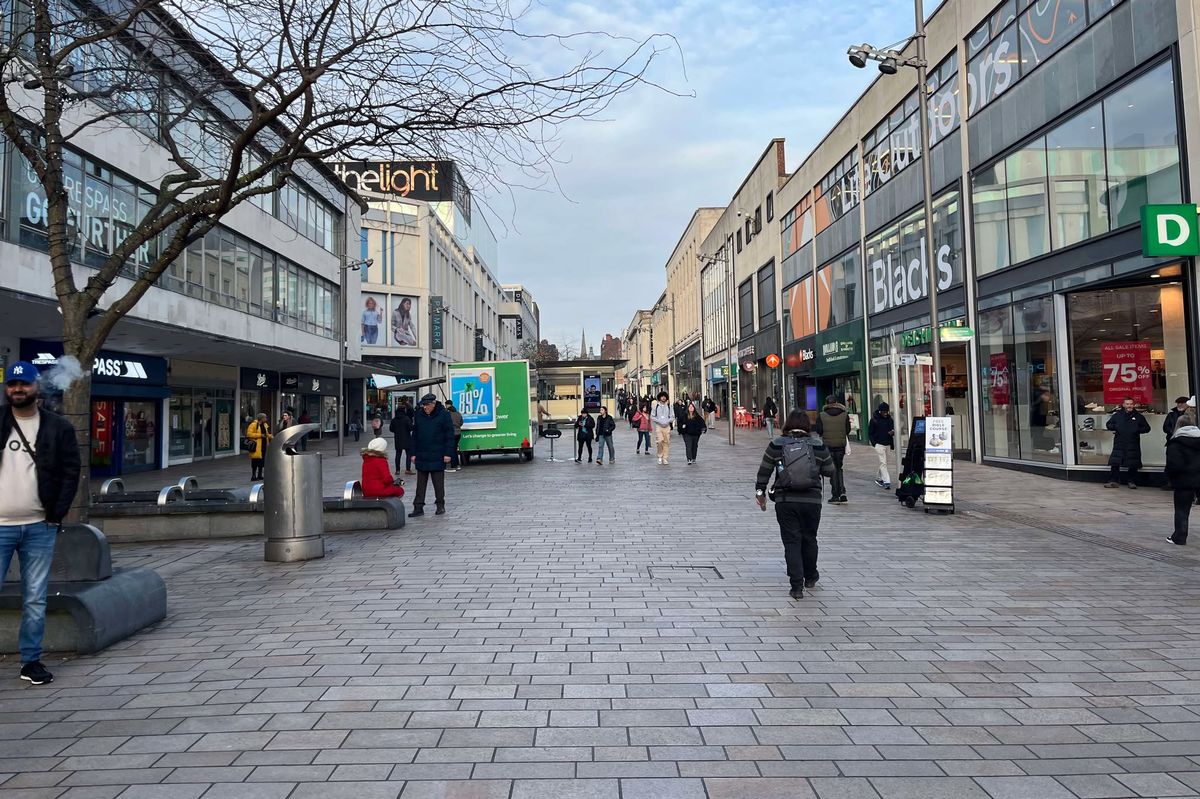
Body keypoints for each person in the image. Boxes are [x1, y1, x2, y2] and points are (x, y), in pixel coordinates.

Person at [0, 361, 82, 685]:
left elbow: (70, 472)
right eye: (12, 384)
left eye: (23, 384)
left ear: (37, 388)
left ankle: (30, 661)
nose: (17, 389)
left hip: (39, 526)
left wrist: (55, 515)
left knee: (35, 598)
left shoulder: (57, 427)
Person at [754, 410, 834, 600]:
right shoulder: (817, 445)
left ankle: (796, 587)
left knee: (791, 541)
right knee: (810, 538)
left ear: (787, 424)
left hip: (785, 501)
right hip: (812, 501)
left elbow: (764, 471)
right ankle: (811, 576)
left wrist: (760, 492)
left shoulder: (777, 445)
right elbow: (830, 470)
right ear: (807, 425)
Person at [409, 393, 455, 517]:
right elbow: (415, 435)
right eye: (423, 405)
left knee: (438, 484)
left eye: (427, 405)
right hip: (422, 454)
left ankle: (440, 505)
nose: (425, 407)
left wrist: (448, 453)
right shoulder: (419, 415)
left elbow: (449, 435)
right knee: (420, 484)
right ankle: (418, 507)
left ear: (433, 404)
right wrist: (413, 453)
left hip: (438, 454)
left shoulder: (444, 415)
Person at [1166, 413, 1200, 545]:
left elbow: (1174, 465)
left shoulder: (1176, 443)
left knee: (1182, 510)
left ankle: (1179, 537)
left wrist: (1172, 479)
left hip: (1184, 481)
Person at [1105, 397, 1150, 489]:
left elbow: (1147, 428)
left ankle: (1131, 481)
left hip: (1133, 442)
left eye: (1131, 404)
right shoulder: (1117, 415)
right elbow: (1109, 425)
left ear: (1134, 405)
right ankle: (1113, 480)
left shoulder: (1139, 416)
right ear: (1123, 405)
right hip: (1119, 442)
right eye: (1127, 404)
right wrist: (1116, 427)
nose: (1129, 406)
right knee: (1115, 462)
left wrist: (1137, 430)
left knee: (1133, 462)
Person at [815, 395, 851, 504]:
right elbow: (848, 430)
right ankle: (842, 491)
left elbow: (819, 430)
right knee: (839, 468)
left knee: (832, 469)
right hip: (840, 445)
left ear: (826, 403)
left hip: (828, 446)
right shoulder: (845, 415)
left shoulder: (821, 415)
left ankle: (835, 494)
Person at [867, 402, 894, 490]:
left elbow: (892, 429)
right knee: (883, 462)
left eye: (887, 411)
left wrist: (892, 432)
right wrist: (874, 443)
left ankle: (879, 478)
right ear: (880, 411)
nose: (885, 413)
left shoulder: (890, 419)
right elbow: (870, 433)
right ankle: (887, 481)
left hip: (888, 444)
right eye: (884, 411)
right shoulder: (874, 420)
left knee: (884, 463)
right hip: (879, 444)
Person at [246, 413, 271, 481]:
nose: (266, 419)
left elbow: (266, 434)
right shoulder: (254, 424)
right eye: (265, 417)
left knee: (261, 461)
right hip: (256, 446)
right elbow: (249, 434)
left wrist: (271, 436)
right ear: (261, 418)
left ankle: (260, 475)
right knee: (255, 461)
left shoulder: (265, 425)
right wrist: (260, 435)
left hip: (263, 445)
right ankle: (253, 476)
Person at [651, 391, 674, 465]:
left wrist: (668, 421)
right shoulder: (656, 406)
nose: (663, 398)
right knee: (660, 441)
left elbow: (672, 416)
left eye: (664, 396)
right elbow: (652, 416)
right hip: (659, 426)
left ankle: (665, 458)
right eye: (662, 396)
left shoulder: (669, 406)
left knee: (666, 442)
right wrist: (659, 421)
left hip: (667, 426)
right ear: (659, 397)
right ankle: (660, 456)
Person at [390, 404, 413, 476]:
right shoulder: (406, 419)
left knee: (398, 454)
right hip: (407, 438)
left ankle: (397, 470)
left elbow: (391, 429)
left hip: (398, 439)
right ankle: (408, 469)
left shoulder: (394, 420)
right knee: (408, 454)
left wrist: (396, 431)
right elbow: (411, 428)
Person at [445, 401, 465, 471]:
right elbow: (461, 422)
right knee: (454, 449)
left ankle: (454, 465)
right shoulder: (458, 414)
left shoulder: (448, 414)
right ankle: (457, 465)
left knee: (452, 450)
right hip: (458, 433)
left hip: (451, 433)